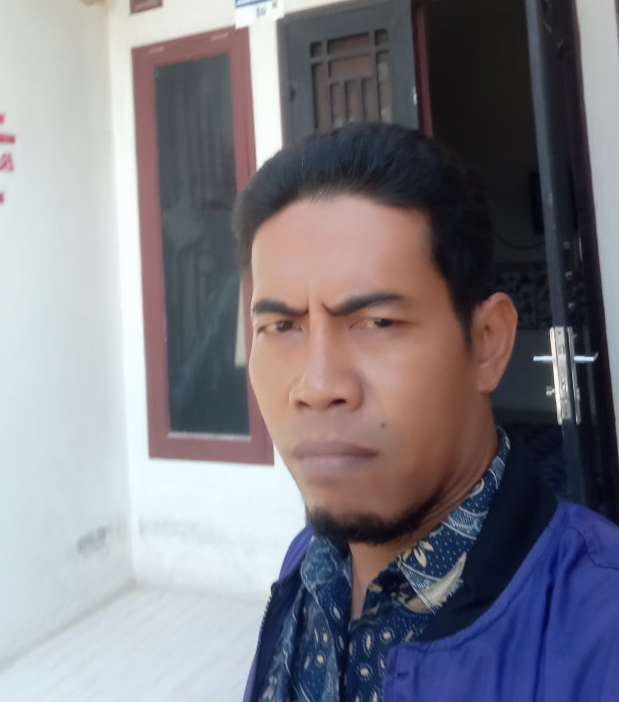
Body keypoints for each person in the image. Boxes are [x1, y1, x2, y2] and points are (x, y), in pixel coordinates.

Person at [233, 123, 619, 702]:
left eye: (377, 322)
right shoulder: (308, 564)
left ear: (487, 342)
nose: (317, 386)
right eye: (282, 326)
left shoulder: (601, 629)